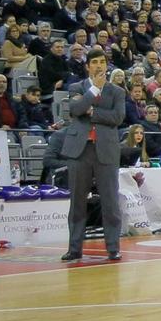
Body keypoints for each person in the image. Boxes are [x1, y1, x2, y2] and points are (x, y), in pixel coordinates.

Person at [59, 51, 126, 262]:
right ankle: (74, 248)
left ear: (107, 66)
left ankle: (113, 247)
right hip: (79, 150)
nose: (98, 66)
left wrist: (93, 113)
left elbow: (117, 117)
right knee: (77, 201)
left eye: (102, 62)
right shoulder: (76, 87)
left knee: (110, 201)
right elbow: (76, 109)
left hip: (105, 149)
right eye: (94, 62)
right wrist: (94, 89)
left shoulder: (116, 91)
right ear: (88, 66)